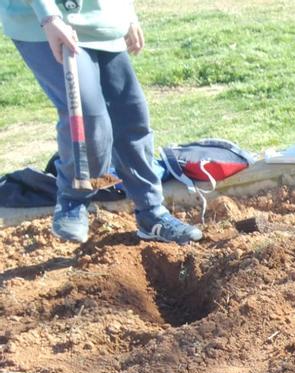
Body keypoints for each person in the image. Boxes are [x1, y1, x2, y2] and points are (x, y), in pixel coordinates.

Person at [2, 0, 202, 244]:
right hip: (45, 23)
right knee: (88, 117)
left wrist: (126, 14)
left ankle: (151, 212)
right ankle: (72, 201)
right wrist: (50, 18)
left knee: (131, 116)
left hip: (101, 21)